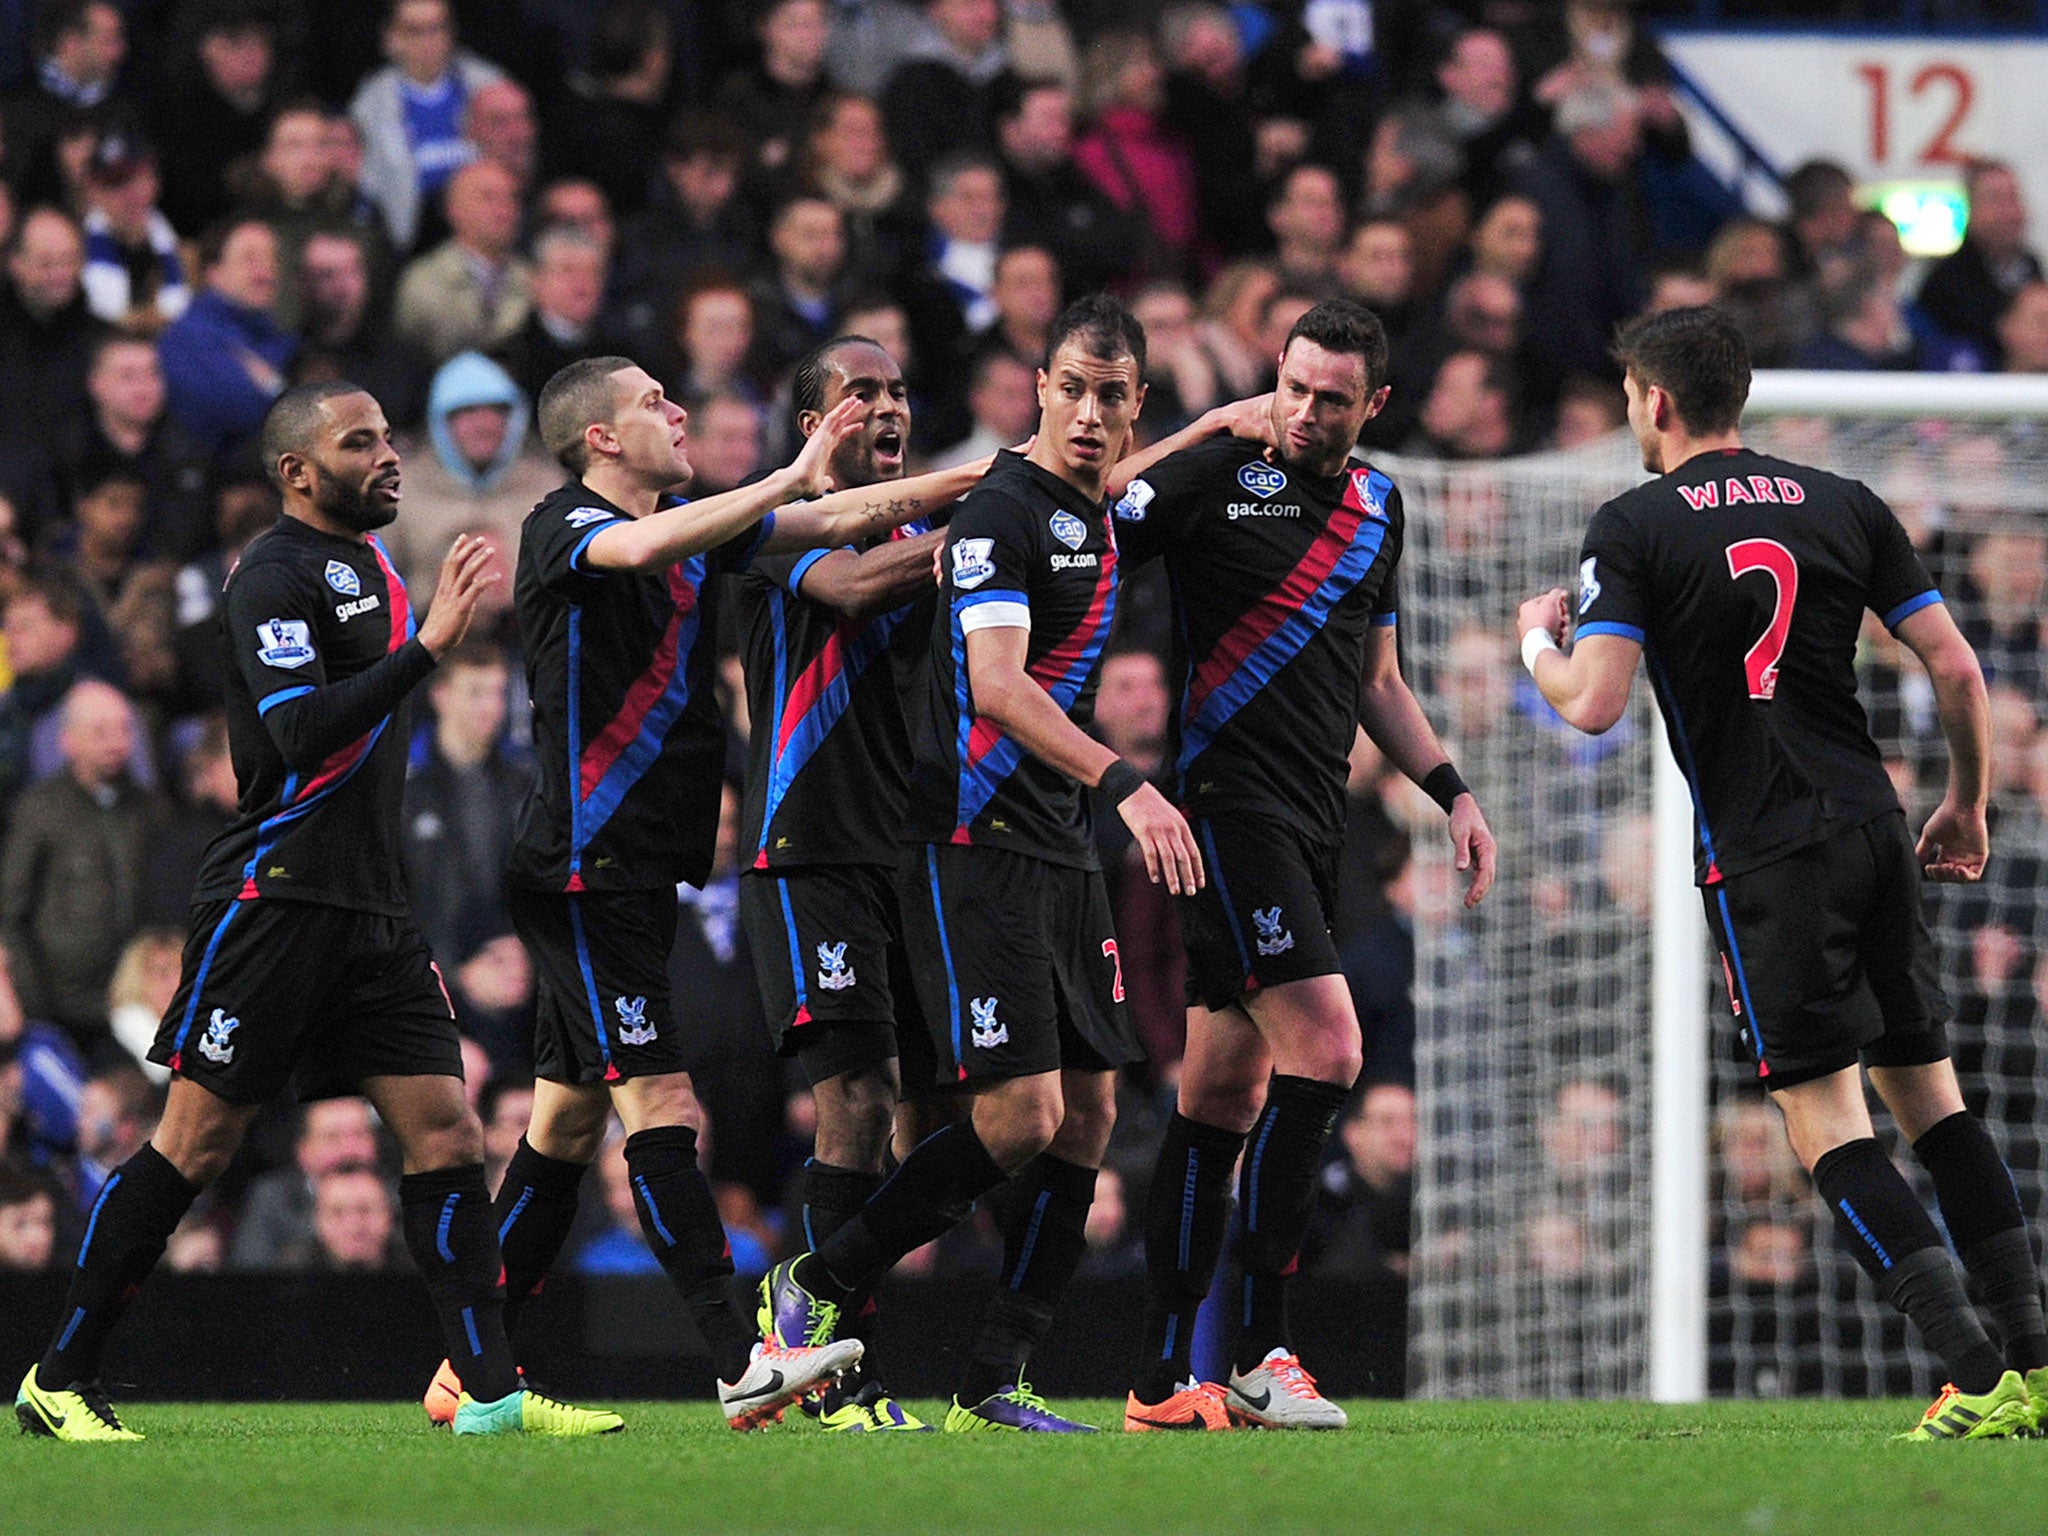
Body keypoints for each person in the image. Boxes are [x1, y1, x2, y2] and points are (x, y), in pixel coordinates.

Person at [12, 380, 622, 1442]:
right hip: (276, 901)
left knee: (445, 1133)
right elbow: (299, 737)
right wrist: (426, 651)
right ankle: (58, 1377)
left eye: (389, 438)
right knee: (192, 1146)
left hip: (372, 913)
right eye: (361, 442)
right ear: (298, 472)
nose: (389, 456)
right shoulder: (272, 576)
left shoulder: (372, 566)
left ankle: (488, 1395)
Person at [1516, 304, 2048, 1441]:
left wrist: (1533, 645)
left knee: (1825, 1127)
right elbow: (1953, 664)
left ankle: (1968, 1372)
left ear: (1652, 401)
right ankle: (2036, 1364)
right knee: (1937, 1106)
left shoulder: (1633, 522)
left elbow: (1593, 704)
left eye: (1626, 396)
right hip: (1873, 826)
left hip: (1766, 855)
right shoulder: (1842, 501)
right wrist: (1963, 798)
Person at [447, 353, 970, 1433]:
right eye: (651, 404)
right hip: (583, 868)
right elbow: (652, 544)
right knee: (662, 1107)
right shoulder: (567, 526)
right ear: (598, 438)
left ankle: (472, 1379)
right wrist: (789, 477)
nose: (677, 411)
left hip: (641, 869)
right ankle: (740, 1363)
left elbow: (842, 521)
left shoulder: (695, 519)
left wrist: (999, 482)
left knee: (560, 1125)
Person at [760, 294, 1203, 1434]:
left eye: (1114, 396)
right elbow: (998, 690)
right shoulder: (1000, 515)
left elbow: (1141, 479)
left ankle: (993, 1380)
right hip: (974, 841)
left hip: (1059, 848)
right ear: (1036, 393)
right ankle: (811, 1288)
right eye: (1073, 389)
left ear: (1134, 404)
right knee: (1013, 1119)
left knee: (1093, 1117)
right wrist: (1126, 782)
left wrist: (1240, 416)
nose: (1093, 413)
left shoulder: (1094, 508)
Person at [1110, 298, 1496, 1430]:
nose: (1300, 410)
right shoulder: (1214, 475)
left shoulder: (1379, 506)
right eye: (1288, 385)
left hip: (1312, 821)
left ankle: (1151, 1383)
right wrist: (1193, 431)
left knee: (1219, 1095)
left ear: (1372, 407)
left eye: (1329, 398)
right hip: (1228, 813)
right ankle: (1262, 1353)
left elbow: (1377, 680)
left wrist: (1451, 792)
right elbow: (1079, 520)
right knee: (1328, 1049)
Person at [734, 336, 957, 1432]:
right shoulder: (766, 523)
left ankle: (808, 1313)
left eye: (897, 388)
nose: (884, 405)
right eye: (858, 390)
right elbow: (859, 585)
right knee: (858, 1100)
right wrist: (991, 526)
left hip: (908, 852)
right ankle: (833, 1377)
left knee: (943, 1117)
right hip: (806, 847)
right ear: (812, 423)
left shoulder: (919, 530)